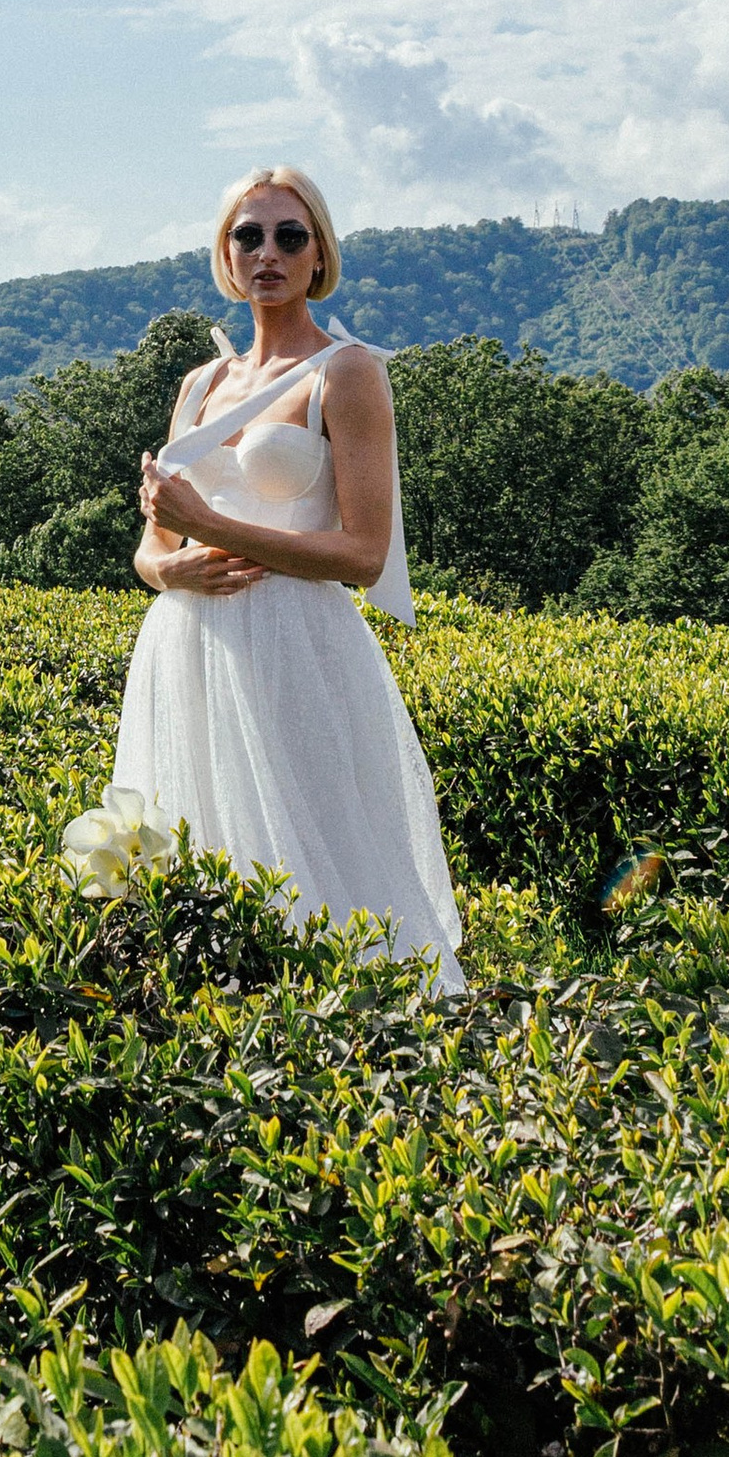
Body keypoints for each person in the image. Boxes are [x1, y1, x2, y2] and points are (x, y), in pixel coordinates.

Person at [113, 162, 463, 989]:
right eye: (249, 235)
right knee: (198, 847)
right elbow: (150, 551)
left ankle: (368, 1043)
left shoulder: (346, 373)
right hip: (186, 647)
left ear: (318, 257)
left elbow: (363, 554)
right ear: (226, 257)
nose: (267, 252)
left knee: (323, 848)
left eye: (289, 236)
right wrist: (178, 570)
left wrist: (214, 528)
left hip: (300, 644)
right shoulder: (199, 385)